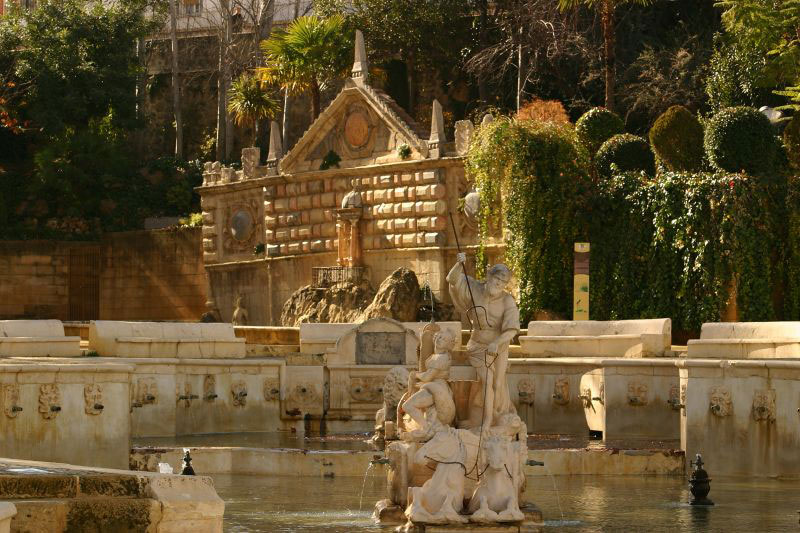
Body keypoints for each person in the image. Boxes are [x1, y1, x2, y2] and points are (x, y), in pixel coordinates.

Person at [447, 253, 519, 432]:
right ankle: (485, 423)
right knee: (488, 380)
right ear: (489, 276)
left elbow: (511, 330)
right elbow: (452, 279)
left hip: (499, 346)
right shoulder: (474, 288)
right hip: (478, 345)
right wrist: (459, 264)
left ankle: (496, 417)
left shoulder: (507, 300)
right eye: (497, 279)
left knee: (498, 384)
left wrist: (496, 343)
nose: (499, 284)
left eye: (503, 282)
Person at [400, 329, 457, 441]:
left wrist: (415, 374)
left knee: (407, 406)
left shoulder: (441, 358)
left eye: (444, 339)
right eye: (439, 336)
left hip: (437, 387)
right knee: (421, 412)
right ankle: (426, 428)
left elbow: (427, 377)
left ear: (448, 345)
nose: (439, 340)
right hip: (432, 385)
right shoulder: (436, 355)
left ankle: (425, 429)